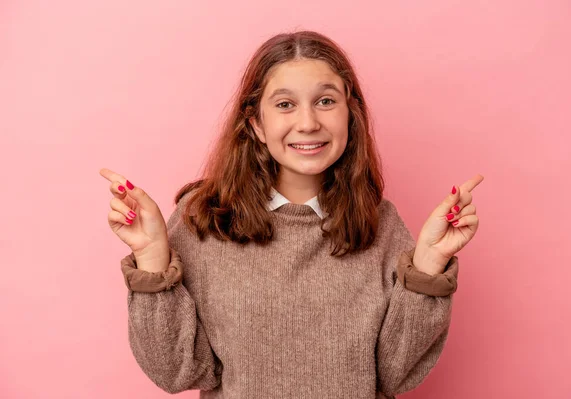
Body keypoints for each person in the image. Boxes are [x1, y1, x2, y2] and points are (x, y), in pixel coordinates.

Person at [100, 30, 483, 398]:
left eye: (326, 101)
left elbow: (397, 374)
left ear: (350, 114)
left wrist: (429, 265)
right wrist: (151, 258)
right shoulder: (204, 219)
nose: (308, 123)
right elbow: (174, 372)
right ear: (256, 123)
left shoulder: (379, 223)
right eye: (285, 104)